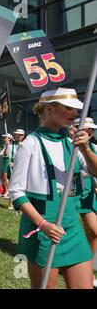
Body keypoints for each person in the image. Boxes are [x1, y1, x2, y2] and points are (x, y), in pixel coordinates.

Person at [9, 87, 97, 289]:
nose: (75, 114)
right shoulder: (29, 144)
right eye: (69, 108)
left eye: (76, 110)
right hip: (42, 228)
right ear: (49, 109)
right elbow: (16, 192)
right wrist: (42, 224)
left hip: (71, 224)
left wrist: (84, 148)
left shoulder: (71, 143)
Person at [71, 117, 97, 288]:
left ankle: (89, 269)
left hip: (89, 194)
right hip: (72, 195)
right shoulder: (68, 144)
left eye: (92, 129)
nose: (91, 132)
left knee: (94, 233)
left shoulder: (94, 147)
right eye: (88, 128)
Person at [0, 133, 17, 206]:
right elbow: (1, 153)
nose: (4, 139)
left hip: (10, 162)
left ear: (9, 139)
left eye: (5, 138)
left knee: (6, 177)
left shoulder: (13, 146)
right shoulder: (6, 146)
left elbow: (6, 154)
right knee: (4, 177)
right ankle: (8, 190)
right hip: (6, 161)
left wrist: (13, 162)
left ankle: (9, 191)